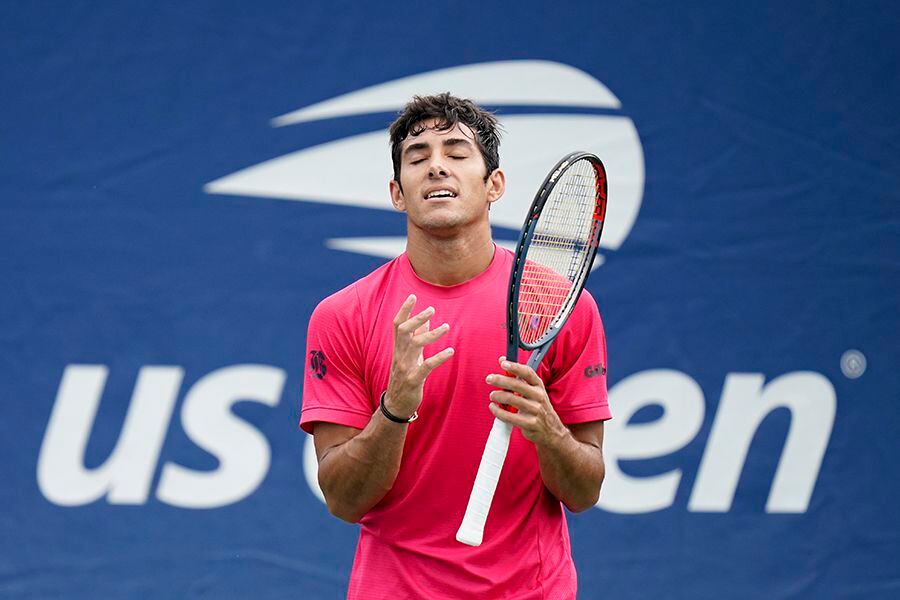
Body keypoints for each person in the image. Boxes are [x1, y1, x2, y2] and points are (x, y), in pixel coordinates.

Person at [300, 93, 611, 599]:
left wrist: (548, 429)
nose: (436, 167)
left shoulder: (562, 305)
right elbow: (343, 500)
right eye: (417, 157)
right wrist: (395, 408)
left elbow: (584, 491)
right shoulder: (343, 316)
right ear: (397, 193)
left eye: (456, 153)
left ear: (494, 185)